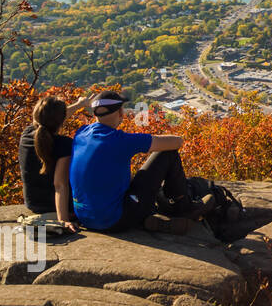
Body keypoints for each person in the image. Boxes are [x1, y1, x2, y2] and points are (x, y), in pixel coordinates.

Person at [69, 90, 211, 234]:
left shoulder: (81, 133)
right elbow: (177, 142)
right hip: (113, 221)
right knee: (167, 153)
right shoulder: (121, 140)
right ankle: (183, 208)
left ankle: (150, 216)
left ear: (95, 114)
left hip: (84, 218)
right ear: (120, 112)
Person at [18, 94, 89, 231]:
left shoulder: (26, 134)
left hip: (33, 203)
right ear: (61, 120)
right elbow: (60, 185)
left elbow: (50, 120)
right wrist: (63, 220)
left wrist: (79, 104)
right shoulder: (64, 144)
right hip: (54, 206)